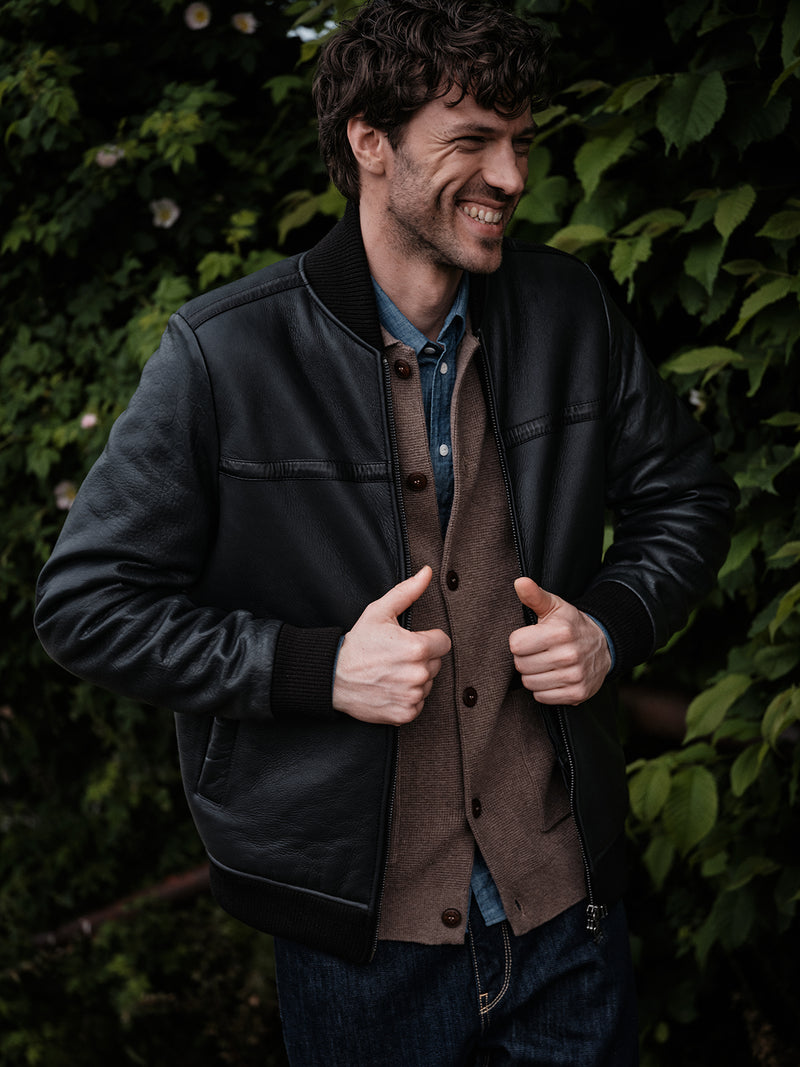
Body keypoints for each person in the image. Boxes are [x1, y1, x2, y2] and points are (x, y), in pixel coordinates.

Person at [34, 0, 738, 1062]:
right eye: (471, 140)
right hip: (360, 951)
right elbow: (85, 605)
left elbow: (685, 499)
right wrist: (313, 667)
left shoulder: (568, 311)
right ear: (370, 141)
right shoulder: (224, 354)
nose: (510, 175)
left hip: (567, 921)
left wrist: (612, 620)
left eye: (519, 142)